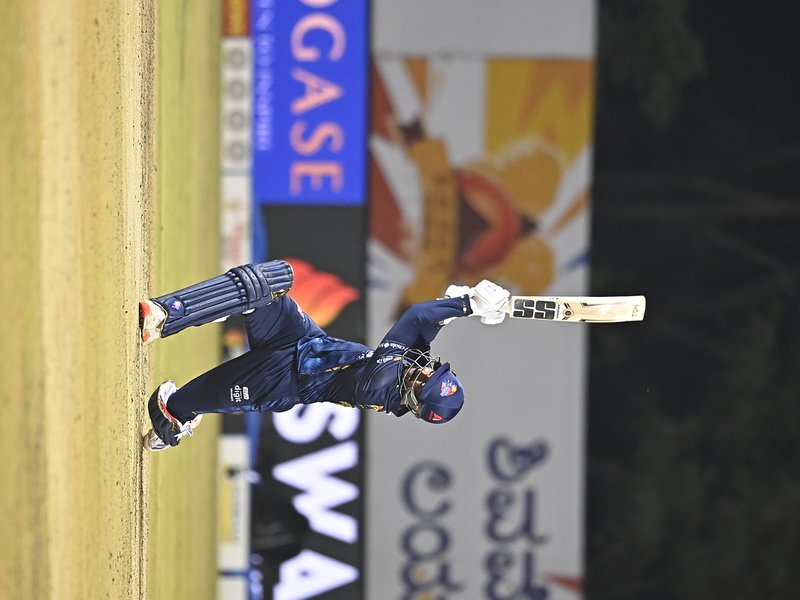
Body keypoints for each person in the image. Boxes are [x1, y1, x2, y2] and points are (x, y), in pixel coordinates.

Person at [138, 260, 510, 451]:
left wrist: (464, 304)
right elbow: (425, 331)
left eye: (424, 381)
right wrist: (459, 307)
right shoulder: (405, 371)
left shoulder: (381, 386)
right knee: (267, 282)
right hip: (302, 340)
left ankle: (178, 421)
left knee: (171, 407)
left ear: (412, 401)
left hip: (281, 380)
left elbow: (414, 318)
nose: (423, 371)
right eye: (431, 371)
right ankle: (165, 314)